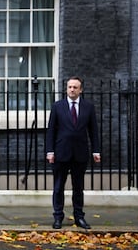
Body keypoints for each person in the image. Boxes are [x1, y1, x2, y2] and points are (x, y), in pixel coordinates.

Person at [46, 76, 101, 230]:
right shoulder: (57, 106)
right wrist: (50, 151)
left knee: (78, 187)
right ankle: (58, 217)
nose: (72, 89)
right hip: (60, 153)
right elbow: (51, 130)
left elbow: (93, 131)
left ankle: (79, 217)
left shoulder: (88, 107)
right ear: (66, 89)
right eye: (70, 87)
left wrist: (96, 150)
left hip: (80, 153)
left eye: (75, 87)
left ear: (80, 90)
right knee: (58, 187)